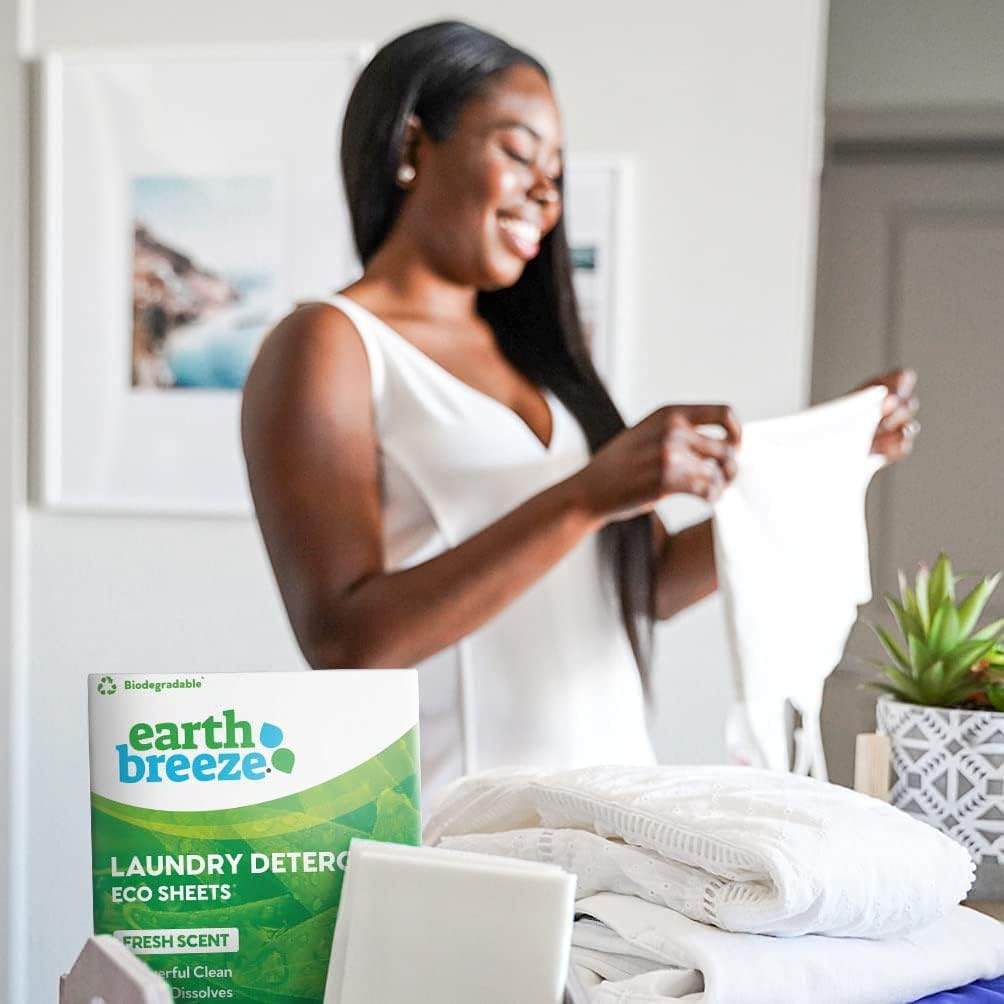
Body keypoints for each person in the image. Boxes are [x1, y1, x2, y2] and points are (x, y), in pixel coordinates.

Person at [241, 20, 919, 806]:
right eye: (518, 152)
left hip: (615, 816)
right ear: (412, 146)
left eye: (556, 173)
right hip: (456, 829)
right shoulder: (329, 343)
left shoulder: (541, 364)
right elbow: (346, 644)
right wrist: (587, 495)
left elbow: (647, 583)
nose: (545, 194)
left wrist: (830, 458)